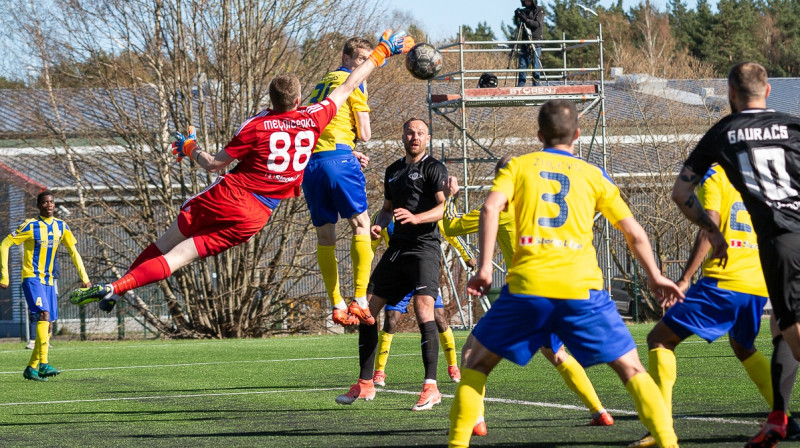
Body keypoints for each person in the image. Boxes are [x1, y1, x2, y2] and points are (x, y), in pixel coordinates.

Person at [67, 30, 415, 311]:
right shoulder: (312, 119)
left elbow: (214, 165)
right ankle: (114, 290)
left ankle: (116, 286)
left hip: (230, 195)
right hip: (257, 216)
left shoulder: (257, 125)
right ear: (298, 102)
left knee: (168, 246)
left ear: (271, 99)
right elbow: (350, 84)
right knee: (180, 258)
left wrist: (190, 147)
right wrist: (383, 51)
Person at [448, 99, 682, 448]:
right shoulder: (592, 174)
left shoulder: (519, 167)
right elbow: (633, 232)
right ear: (577, 133)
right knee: (632, 369)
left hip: (528, 287)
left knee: (475, 363)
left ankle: (457, 444)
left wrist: (484, 269)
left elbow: (490, 208)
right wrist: (655, 275)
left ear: (539, 134)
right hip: (581, 288)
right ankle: (669, 443)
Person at [671, 61, 800, 448]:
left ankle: (779, 419)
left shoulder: (722, 132)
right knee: (781, 327)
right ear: (769, 91)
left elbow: (680, 194)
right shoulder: (793, 125)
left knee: (791, 328)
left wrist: (711, 228)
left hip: (783, 239)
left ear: (730, 93)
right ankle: (778, 417)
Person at [632, 165, 797, 448]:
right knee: (743, 346)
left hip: (725, 280)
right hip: (757, 283)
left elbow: (710, 227)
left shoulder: (718, 173)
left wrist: (684, 279)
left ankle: (660, 428)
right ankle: (786, 420)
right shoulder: (763, 179)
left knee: (659, 339)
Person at [443, 166, 615, 435]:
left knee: (470, 353)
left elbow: (451, 226)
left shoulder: (502, 207)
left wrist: (449, 197)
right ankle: (599, 411)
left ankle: (475, 420)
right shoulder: (545, 207)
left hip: (523, 297)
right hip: (556, 292)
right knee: (556, 354)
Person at [335, 118, 449, 411]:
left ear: (427, 138)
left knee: (424, 309)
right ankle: (365, 384)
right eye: (410, 132)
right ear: (403, 135)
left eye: (420, 133)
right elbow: (386, 211)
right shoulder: (393, 171)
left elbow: (441, 208)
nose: (415, 137)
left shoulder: (434, 168)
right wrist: (378, 225)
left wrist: (416, 218)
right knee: (366, 311)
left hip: (425, 248)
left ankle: (431, 388)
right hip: (398, 250)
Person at [303, 37, 377, 327]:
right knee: (361, 225)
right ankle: (359, 300)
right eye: (360, 58)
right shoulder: (353, 80)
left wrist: (347, 149)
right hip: (339, 161)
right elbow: (366, 132)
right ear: (347, 58)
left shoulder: (321, 84)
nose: (364, 64)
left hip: (312, 166)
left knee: (325, 236)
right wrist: (349, 149)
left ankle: (336, 304)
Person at [370, 213, 475, 388]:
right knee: (390, 319)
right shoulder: (383, 217)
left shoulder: (427, 210)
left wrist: (467, 254)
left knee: (439, 318)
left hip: (423, 273)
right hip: (399, 275)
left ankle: (453, 366)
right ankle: (379, 371)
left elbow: (450, 232)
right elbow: (370, 245)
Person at [0, 191, 90, 381]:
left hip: (49, 281)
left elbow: (73, 252)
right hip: (32, 278)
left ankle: (31, 368)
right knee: (44, 315)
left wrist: (84, 277)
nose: (49, 205)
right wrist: (5, 275)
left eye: (51, 202)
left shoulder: (61, 226)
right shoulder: (30, 225)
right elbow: (5, 244)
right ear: (39, 205)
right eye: (45, 202)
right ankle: (44, 364)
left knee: (48, 325)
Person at [513, 0, 544, 87]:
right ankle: (521, 85)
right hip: (525, 40)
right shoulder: (524, 11)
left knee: (535, 64)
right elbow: (519, 25)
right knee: (522, 64)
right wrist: (517, 18)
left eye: (528, 1)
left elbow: (537, 24)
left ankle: (536, 85)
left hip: (536, 40)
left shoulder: (539, 10)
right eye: (525, 1)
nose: (527, 3)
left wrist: (526, 20)